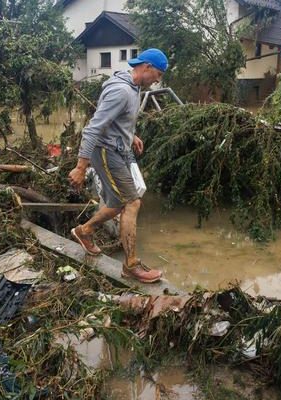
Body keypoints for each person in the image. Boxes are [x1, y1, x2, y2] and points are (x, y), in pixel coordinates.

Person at [67, 48, 167, 284]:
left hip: (118, 149)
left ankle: (84, 231)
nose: (157, 80)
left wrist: (130, 135)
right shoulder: (121, 91)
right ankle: (131, 265)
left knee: (116, 203)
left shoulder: (132, 88)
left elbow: (117, 119)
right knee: (132, 202)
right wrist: (81, 167)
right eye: (158, 74)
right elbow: (93, 128)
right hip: (106, 152)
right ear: (146, 67)